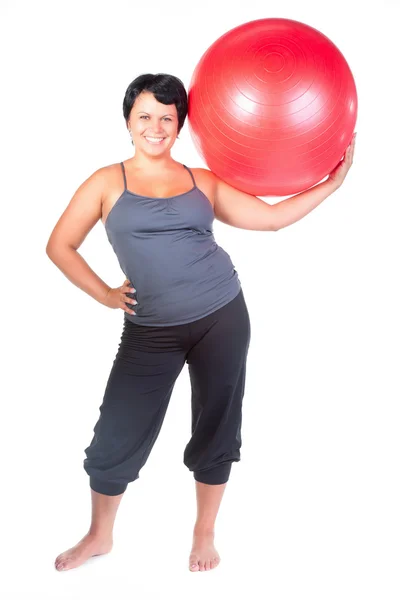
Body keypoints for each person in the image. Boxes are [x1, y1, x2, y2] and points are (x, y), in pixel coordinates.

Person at [46, 73, 356, 573]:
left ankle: (204, 532)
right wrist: (105, 293)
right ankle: (99, 535)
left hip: (221, 316)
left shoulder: (201, 181)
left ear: (180, 124)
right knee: (117, 432)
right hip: (149, 330)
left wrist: (331, 184)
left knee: (217, 425)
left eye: (167, 117)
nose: (155, 126)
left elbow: (270, 219)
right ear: (128, 121)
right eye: (145, 115)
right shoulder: (106, 182)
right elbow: (59, 245)